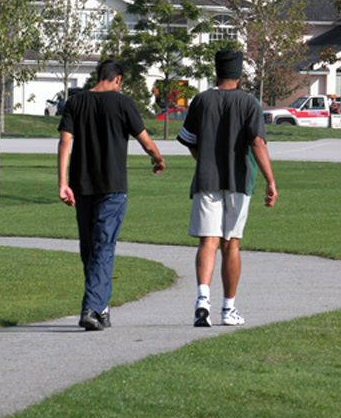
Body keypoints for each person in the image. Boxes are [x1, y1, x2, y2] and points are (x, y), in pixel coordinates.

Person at [57, 59, 165, 331]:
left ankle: (100, 307)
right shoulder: (123, 103)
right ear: (117, 79)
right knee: (102, 247)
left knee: (90, 248)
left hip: (82, 185)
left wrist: (62, 182)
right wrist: (157, 158)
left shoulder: (75, 102)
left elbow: (64, 141)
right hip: (113, 187)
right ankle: (92, 308)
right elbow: (144, 139)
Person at [177, 50, 278, 327]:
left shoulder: (201, 100)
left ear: (216, 71)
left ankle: (202, 300)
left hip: (206, 180)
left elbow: (189, 140)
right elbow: (257, 143)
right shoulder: (249, 102)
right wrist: (270, 181)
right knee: (231, 244)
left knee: (207, 241)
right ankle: (228, 308)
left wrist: (205, 159)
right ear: (240, 74)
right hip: (239, 181)